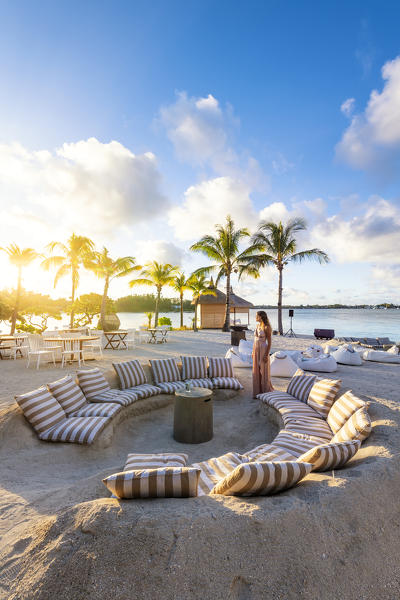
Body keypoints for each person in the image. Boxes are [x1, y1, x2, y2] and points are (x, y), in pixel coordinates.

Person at [252, 310, 274, 398]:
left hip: (263, 349)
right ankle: (258, 391)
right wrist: (253, 351)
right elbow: (255, 340)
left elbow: (269, 343)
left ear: (261, 316)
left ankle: (265, 392)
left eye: (256, 316)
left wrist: (266, 355)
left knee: (264, 371)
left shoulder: (266, 327)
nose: (255, 317)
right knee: (256, 371)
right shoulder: (257, 326)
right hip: (256, 350)